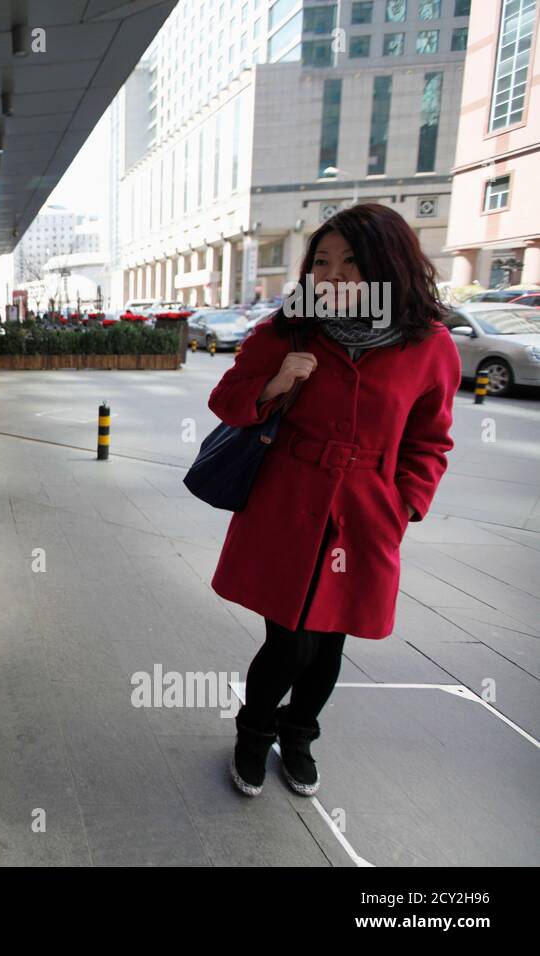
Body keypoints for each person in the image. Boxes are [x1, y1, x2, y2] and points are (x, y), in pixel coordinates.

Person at [208, 203, 459, 798]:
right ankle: (253, 733)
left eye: (351, 261)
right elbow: (226, 398)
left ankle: (300, 737)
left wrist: (405, 505)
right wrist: (275, 384)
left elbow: (430, 439)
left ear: (387, 267)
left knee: (330, 643)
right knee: (289, 640)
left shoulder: (430, 346)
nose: (333, 275)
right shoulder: (287, 328)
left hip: (367, 514)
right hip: (286, 503)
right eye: (322, 262)